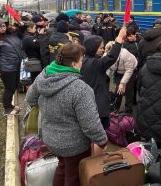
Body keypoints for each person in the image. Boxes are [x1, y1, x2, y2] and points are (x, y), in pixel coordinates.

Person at [26, 43, 108, 186]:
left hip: (50, 139)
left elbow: (30, 98)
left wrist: (50, 106)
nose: (82, 63)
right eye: (81, 60)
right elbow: (90, 124)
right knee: (74, 176)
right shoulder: (81, 89)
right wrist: (102, 141)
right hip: (74, 145)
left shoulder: (45, 74)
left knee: (63, 167)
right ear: (74, 64)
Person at [81, 27, 126, 129]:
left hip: (89, 104)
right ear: (93, 48)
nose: (103, 50)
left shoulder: (84, 60)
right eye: (100, 47)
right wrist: (118, 40)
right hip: (98, 107)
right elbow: (111, 58)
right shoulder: (94, 63)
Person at [0, 19, 23, 115]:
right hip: (6, 68)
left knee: (15, 86)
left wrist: (18, 26)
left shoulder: (10, 35)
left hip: (16, 65)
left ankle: (10, 105)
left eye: (4, 26)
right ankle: (7, 108)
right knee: (9, 88)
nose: (3, 28)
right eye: (0, 27)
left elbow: (22, 32)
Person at [105, 41, 138, 114]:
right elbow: (108, 68)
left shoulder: (125, 54)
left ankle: (128, 111)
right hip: (118, 71)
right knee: (117, 90)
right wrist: (107, 79)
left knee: (128, 91)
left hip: (131, 70)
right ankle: (115, 110)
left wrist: (122, 83)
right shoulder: (106, 54)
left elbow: (129, 70)